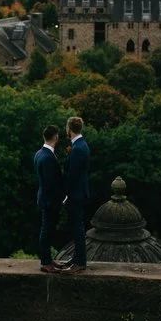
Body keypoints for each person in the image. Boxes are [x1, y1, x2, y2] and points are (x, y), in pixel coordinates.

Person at [62, 116, 90, 274]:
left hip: (76, 194)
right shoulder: (80, 145)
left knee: (77, 227)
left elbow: (72, 176)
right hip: (78, 192)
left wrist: (64, 194)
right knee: (75, 227)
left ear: (69, 129)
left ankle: (80, 262)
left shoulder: (78, 148)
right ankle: (76, 257)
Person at [34, 125, 64, 273]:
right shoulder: (47, 157)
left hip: (44, 198)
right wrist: (60, 199)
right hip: (49, 201)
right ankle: (46, 262)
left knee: (47, 230)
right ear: (56, 137)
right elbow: (51, 183)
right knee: (47, 230)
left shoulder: (39, 153)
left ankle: (48, 260)